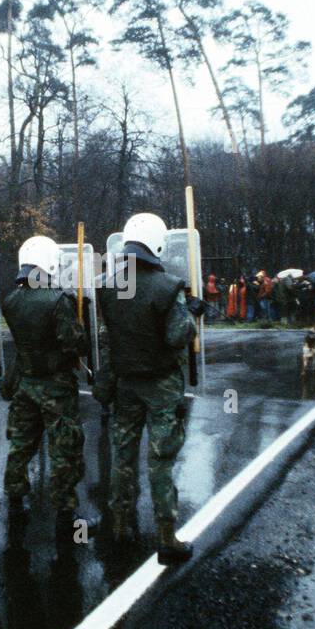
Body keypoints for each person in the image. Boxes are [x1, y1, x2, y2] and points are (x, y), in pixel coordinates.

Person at [95, 213, 206, 564]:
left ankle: (119, 527)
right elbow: (176, 335)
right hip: (160, 385)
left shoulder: (109, 286)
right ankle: (166, 537)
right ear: (156, 243)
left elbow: (108, 338)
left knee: (121, 459)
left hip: (126, 383)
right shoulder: (167, 286)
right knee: (160, 461)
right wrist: (191, 315)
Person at [1, 234, 92, 535]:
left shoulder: (11, 300)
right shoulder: (57, 301)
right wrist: (82, 326)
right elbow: (74, 345)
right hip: (56, 386)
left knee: (21, 444)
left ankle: (15, 501)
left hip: (26, 383)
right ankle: (66, 515)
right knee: (64, 449)